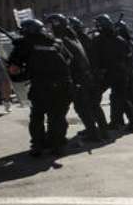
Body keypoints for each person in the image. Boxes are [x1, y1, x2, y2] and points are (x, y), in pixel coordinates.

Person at [7, 19, 73, 156]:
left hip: (41, 86)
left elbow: (14, 69)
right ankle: (57, 145)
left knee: (37, 117)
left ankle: (38, 146)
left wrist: (19, 62)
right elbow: (69, 59)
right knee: (57, 117)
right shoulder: (56, 42)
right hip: (63, 85)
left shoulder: (23, 44)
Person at [45, 14, 109, 142]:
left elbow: (63, 62)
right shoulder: (72, 37)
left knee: (82, 108)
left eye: (50, 26)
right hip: (86, 77)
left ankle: (93, 135)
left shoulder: (62, 40)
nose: (48, 29)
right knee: (92, 106)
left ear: (56, 25)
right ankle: (103, 131)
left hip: (78, 79)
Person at [93, 14, 133, 133]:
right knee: (121, 98)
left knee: (94, 97)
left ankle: (99, 127)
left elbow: (96, 58)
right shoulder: (121, 40)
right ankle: (129, 123)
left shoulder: (99, 39)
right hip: (121, 73)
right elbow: (128, 56)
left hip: (109, 73)